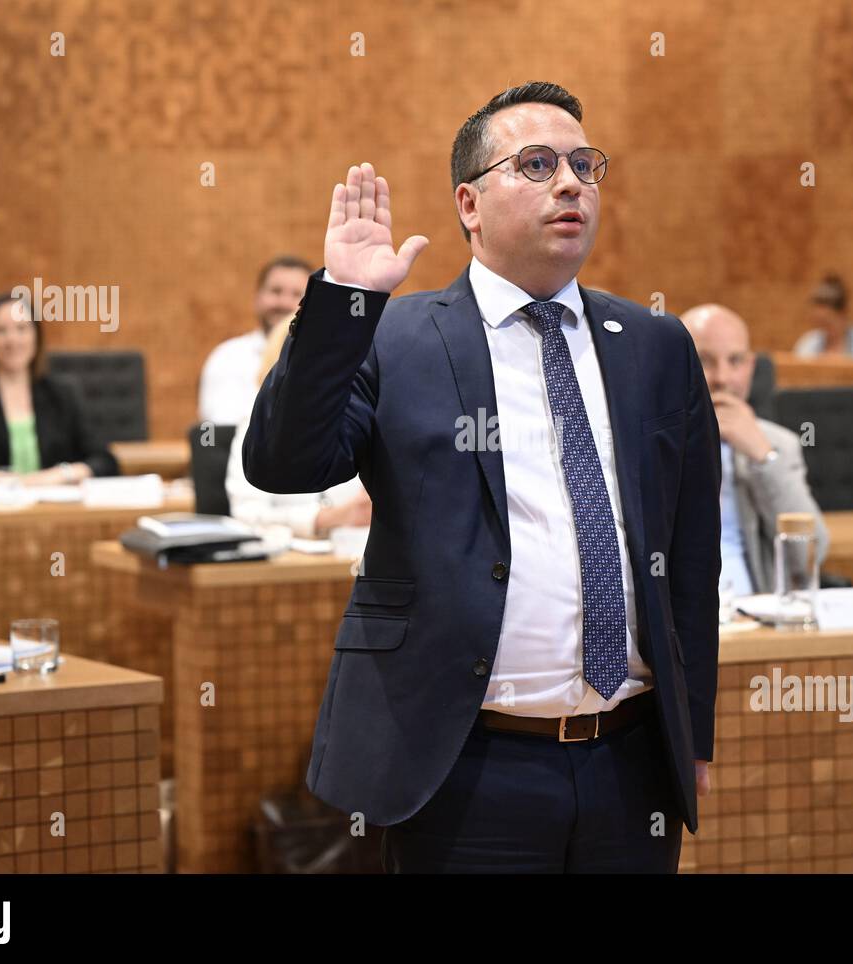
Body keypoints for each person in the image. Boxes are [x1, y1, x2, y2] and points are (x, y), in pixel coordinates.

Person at [243, 82, 721, 873]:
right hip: (464, 764)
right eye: (536, 164)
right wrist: (345, 304)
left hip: (632, 762)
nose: (570, 183)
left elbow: (690, 557)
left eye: (583, 164)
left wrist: (691, 733)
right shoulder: (397, 336)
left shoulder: (654, 344)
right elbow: (282, 464)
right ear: (469, 203)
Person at [682, 304, 828, 595]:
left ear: (750, 368)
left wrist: (764, 458)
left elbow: (811, 555)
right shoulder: (648, 441)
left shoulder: (777, 444)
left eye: (735, 361)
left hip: (757, 618)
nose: (722, 378)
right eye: (705, 360)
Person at [0, 292, 118, 489]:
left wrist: (59, 474)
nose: (12, 340)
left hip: (56, 514)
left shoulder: (62, 395)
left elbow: (106, 462)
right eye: (0, 331)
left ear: (36, 336)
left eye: (22, 328)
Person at [225, 323, 369, 538]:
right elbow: (246, 514)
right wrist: (326, 518)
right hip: (290, 562)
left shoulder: (362, 414)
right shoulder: (256, 424)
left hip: (358, 552)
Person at [198, 255, 311, 425]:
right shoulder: (228, 357)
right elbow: (221, 425)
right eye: (276, 291)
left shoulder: (324, 360)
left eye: (297, 295)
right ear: (257, 298)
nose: (285, 302)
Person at [792, 273, 853, 361]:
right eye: (819, 323)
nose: (824, 329)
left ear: (842, 314)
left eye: (828, 323)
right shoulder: (807, 345)